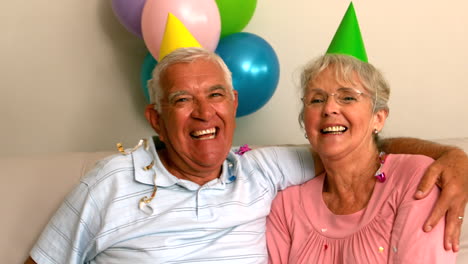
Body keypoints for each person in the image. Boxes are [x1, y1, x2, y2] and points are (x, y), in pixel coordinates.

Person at [25, 48, 467, 264]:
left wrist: (452, 155)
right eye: (182, 100)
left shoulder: (262, 170)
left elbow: (352, 148)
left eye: (215, 95)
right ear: (155, 118)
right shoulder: (110, 181)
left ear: (233, 104)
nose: (204, 113)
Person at [266, 54, 458, 263]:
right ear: (305, 121)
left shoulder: (416, 177)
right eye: (317, 99)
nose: (329, 108)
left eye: (347, 97)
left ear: (378, 118)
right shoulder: (285, 203)